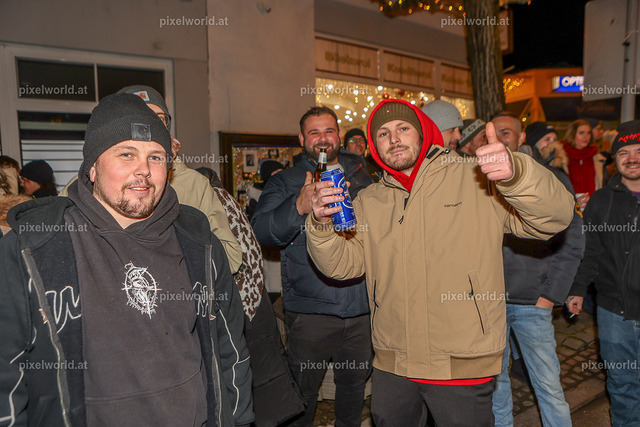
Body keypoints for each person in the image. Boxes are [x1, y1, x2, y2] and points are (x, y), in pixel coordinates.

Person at [305, 99, 575, 426]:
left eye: (403, 128)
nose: (394, 138)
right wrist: (320, 225)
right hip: (394, 364)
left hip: (462, 361)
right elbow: (342, 266)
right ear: (374, 147)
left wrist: (517, 175)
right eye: (383, 133)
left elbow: (555, 218)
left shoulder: (475, 178)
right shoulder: (369, 200)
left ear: (423, 133)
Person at [0, 93, 253, 425]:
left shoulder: (199, 243)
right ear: (92, 167)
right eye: (126, 154)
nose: (143, 170)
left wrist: (238, 419)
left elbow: (230, 349)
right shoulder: (34, 247)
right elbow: (6, 371)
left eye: (156, 157)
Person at [251, 106, 373, 427]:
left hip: (362, 307)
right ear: (302, 139)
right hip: (311, 310)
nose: (322, 138)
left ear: (338, 135)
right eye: (314, 132)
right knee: (302, 396)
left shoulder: (362, 175)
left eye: (329, 131)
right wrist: (298, 205)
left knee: (353, 391)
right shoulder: (287, 181)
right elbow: (261, 231)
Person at [59, 85, 243, 274]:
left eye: (159, 118)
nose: (149, 122)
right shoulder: (83, 186)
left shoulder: (194, 184)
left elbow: (230, 257)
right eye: (126, 155)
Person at [196, 166, 305, 426]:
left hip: (242, 304)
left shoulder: (214, 201)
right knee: (265, 373)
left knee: (250, 375)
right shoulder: (227, 201)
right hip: (255, 299)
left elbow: (237, 257)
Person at [492, 121, 584, 427]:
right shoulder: (482, 183)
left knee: (548, 385)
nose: (500, 137)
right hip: (490, 304)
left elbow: (574, 240)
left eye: (506, 132)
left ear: (521, 137)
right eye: (494, 132)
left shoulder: (550, 178)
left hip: (533, 303)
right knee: (496, 385)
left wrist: (550, 295)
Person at [566, 120, 640, 427]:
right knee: (622, 386)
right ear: (615, 159)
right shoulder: (601, 200)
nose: (631, 158)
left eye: (638, 151)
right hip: (613, 311)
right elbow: (590, 251)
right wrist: (577, 288)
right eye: (623, 152)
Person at [563, 119, 606, 210]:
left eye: (588, 133)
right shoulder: (561, 159)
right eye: (581, 133)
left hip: (594, 208)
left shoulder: (598, 158)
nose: (586, 137)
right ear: (572, 135)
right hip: (568, 209)